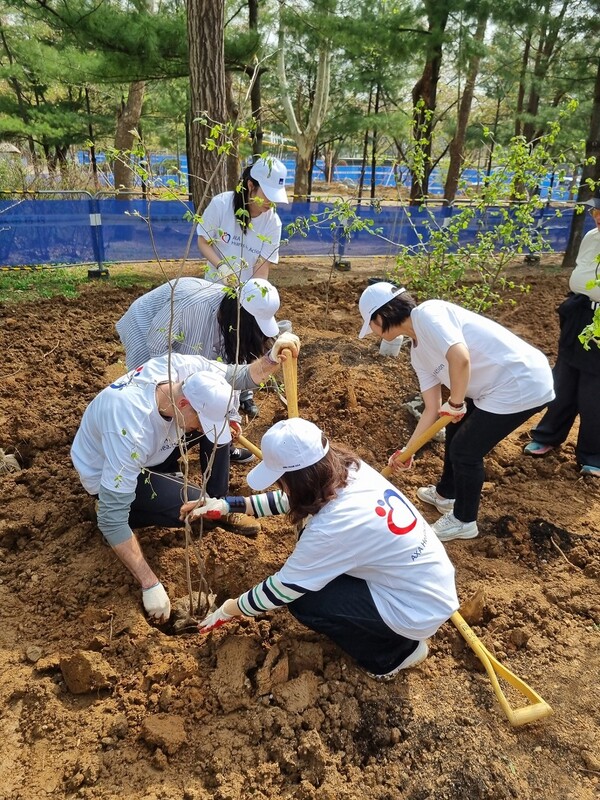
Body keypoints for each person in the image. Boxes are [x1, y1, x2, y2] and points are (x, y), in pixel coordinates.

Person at [185, 418, 459, 681]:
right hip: (426, 580)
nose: (280, 485)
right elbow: (293, 499)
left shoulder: (332, 527)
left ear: (297, 479)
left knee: (306, 601)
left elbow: (282, 590)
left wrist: (229, 609)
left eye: (280, 479)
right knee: (316, 576)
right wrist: (228, 505)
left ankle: (396, 654)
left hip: (414, 609)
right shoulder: (349, 469)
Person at [70, 333, 299, 624]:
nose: (201, 429)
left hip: (157, 446)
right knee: (192, 509)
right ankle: (118, 506)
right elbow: (111, 519)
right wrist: (150, 583)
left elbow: (237, 376)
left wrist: (271, 360)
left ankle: (219, 503)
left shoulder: (188, 371)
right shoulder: (130, 431)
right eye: (199, 421)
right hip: (113, 471)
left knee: (216, 448)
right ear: (182, 402)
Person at [357, 282, 555, 542]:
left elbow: (460, 358)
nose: (372, 332)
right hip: (492, 387)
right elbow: (431, 409)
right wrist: (408, 451)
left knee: (465, 450)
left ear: (381, 316)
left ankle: (464, 520)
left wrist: (457, 403)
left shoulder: (429, 313)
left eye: (370, 325)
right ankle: (446, 493)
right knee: (453, 425)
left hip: (520, 382)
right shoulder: (418, 354)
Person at [115, 276, 281, 460]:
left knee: (203, 391)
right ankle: (153, 458)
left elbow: (228, 371)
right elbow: (157, 346)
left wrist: (230, 414)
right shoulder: (191, 305)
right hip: (144, 326)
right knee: (159, 399)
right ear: (241, 319)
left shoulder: (231, 326)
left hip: (179, 338)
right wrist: (188, 387)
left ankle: (223, 448)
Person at [197, 156, 289, 417]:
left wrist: (258, 298)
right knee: (215, 341)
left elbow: (262, 266)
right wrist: (221, 267)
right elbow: (203, 242)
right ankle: (212, 392)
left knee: (246, 340)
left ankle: (244, 392)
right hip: (215, 289)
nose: (270, 203)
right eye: (267, 195)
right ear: (250, 185)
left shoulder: (272, 222)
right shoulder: (222, 205)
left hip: (246, 293)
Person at [523, 197, 600, 476]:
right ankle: (548, 435)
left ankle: (593, 454)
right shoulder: (592, 237)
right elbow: (581, 275)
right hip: (581, 314)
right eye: (595, 210)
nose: (596, 215)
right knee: (564, 380)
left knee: (594, 391)